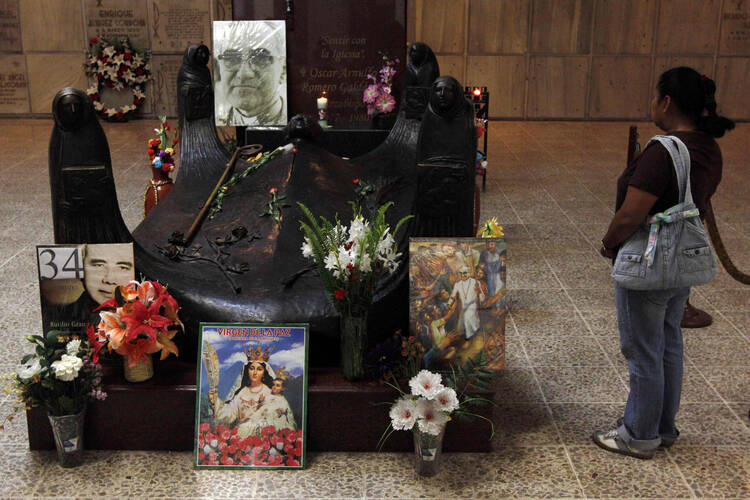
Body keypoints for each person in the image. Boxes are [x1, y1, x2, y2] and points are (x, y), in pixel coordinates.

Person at [593, 67, 734, 459]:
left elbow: (629, 215)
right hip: (681, 264)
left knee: (642, 350)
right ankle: (663, 426)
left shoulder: (663, 151)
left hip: (648, 263)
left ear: (667, 102)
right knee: (668, 342)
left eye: (656, 97)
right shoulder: (707, 147)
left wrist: (608, 246)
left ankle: (637, 434)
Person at [209, 348, 297, 438]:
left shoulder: (269, 392)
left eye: (259, 369)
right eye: (252, 368)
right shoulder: (242, 392)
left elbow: (277, 416)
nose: (255, 372)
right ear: (247, 370)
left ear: (264, 372)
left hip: (263, 437)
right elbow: (230, 414)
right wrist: (216, 401)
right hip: (241, 436)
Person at [214, 21, 287, 126]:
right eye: (231, 58)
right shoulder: (215, 123)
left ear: (283, 70)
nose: (244, 74)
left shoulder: (296, 121)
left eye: (260, 58)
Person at [450, 265, 485, 340]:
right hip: (464, 307)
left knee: (467, 317)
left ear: (469, 273)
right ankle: (466, 335)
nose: (463, 275)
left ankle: (469, 338)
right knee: (460, 325)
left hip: (472, 305)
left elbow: (482, 298)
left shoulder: (475, 282)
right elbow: (452, 295)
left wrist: (479, 291)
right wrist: (449, 303)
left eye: (465, 273)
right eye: (461, 273)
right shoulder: (457, 284)